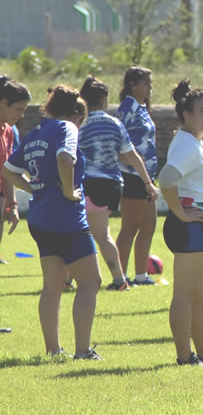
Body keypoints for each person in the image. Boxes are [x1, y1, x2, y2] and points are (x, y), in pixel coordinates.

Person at [3, 85, 103, 359]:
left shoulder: (36, 133)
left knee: (52, 285)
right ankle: (82, 350)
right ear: (75, 115)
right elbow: (64, 157)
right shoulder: (67, 128)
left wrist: (34, 189)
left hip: (40, 219)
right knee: (91, 282)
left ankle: (53, 350)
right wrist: (70, 191)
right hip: (67, 218)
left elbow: (9, 170)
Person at [158, 79, 203, 365]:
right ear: (186, 114)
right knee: (185, 295)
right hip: (189, 225)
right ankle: (184, 356)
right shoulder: (186, 143)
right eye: (202, 111)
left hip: (200, 224)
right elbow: (166, 179)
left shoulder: (194, 142)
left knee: (201, 294)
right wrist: (181, 213)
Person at [78, 76, 159, 291]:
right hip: (113, 186)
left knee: (83, 233)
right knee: (98, 233)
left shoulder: (79, 124)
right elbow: (132, 155)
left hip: (89, 184)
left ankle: (118, 279)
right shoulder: (115, 123)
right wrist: (148, 182)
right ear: (105, 99)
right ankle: (76, 279)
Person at [115, 66, 158, 286]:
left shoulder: (141, 107)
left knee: (149, 224)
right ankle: (119, 276)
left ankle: (141, 275)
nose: (150, 87)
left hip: (147, 176)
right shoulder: (127, 107)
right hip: (132, 175)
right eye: (146, 83)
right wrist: (125, 159)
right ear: (133, 85)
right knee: (130, 226)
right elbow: (118, 137)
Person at [0, 75, 29, 265]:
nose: (21, 115)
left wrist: (12, 203)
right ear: (3, 102)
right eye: (18, 109)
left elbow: (8, 170)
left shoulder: (9, 131)